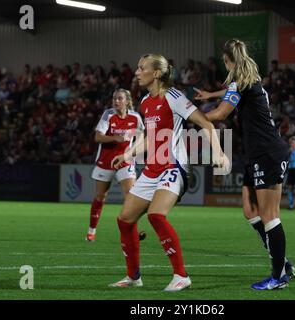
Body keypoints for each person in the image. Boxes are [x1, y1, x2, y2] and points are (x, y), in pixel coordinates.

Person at [108, 54, 228, 292]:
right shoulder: (144, 101)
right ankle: (133, 276)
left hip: (174, 167)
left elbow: (206, 123)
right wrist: (129, 154)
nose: (137, 72)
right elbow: (149, 137)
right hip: (152, 169)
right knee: (124, 220)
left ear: (156, 74)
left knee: (156, 216)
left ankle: (181, 276)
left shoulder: (174, 97)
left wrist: (219, 152)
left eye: (142, 68)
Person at [194, 39, 295, 290]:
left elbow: (220, 114)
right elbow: (231, 92)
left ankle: (278, 276)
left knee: (270, 216)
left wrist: (190, 115)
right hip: (258, 154)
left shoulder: (241, 81)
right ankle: (283, 264)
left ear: (227, 61)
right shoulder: (250, 80)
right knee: (250, 211)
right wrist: (211, 95)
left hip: (267, 153)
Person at [86, 89, 145, 242]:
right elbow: (98, 137)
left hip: (125, 161)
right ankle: (92, 230)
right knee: (100, 197)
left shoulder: (135, 117)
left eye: (119, 99)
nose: (116, 101)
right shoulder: (108, 115)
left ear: (127, 101)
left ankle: (133, 231)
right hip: (106, 162)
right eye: (114, 99)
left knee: (130, 196)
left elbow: (142, 135)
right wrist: (115, 138)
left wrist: (133, 151)